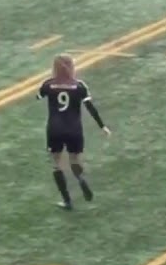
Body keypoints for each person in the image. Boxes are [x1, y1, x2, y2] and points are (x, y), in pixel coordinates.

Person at [35, 54, 110, 209]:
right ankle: (80, 178)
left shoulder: (48, 84)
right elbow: (90, 107)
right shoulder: (79, 86)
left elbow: (38, 96)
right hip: (74, 129)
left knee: (56, 164)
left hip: (55, 129)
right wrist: (102, 126)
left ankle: (67, 200)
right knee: (74, 161)